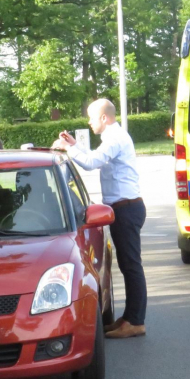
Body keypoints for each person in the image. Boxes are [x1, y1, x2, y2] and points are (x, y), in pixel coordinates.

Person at [53, 99, 147, 339]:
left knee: (131, 266)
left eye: (91, 117)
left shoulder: (115, 138)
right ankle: (130, 317)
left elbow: (92, 163)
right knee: (128, 265)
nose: (89, 122)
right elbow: (95, 156)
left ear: (104, 118)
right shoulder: (112, 137)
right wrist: (75, 145)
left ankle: (136, 321)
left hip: (126, 209)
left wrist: (67, 149)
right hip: (125, 208)